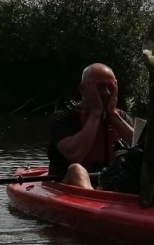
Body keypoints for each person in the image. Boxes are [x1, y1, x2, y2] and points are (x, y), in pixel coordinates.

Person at [48, 63, 139, 192]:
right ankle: (92, 198)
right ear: (83, 89)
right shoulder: (63, 118)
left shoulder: (120, 117)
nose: (106, 93)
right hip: (68, 181)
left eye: (110, 88)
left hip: (109, 180)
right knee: (76, 169)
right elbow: (75, 155)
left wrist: (112, 114)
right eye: (100, 87)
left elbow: (141, 148)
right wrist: (95, 114)